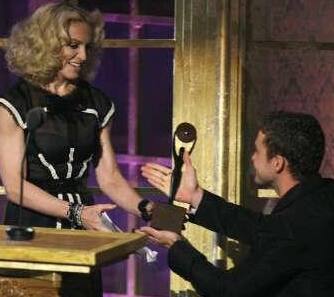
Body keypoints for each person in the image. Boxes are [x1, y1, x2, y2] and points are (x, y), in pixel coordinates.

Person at [0, 2, 151, 296]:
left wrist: (146, 208)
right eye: (73, 46)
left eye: (86, 47)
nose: (82, 56)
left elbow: (109, 177)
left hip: (82, 226)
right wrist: (76, 212)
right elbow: (14, 185)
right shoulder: (15, 103)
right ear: (46, 44)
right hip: (31, 225)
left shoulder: (97, 103)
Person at [140, 111, 334, 297]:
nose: (253, 157)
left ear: (277, 163)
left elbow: (227, 291)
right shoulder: (321, 198)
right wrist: (195, 196)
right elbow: (260, 228)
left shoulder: (292, 227)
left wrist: (176, 245)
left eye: (257, 151)